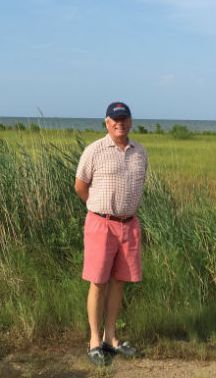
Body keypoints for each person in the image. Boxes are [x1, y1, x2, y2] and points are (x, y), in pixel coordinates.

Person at [74, 101, 148, 366]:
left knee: (119, 281)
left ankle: (110, 338)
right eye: (115, 119)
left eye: (124, 119)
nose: (120, 123)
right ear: (107, 123)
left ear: (130, 122)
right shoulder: (94, 150)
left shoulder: (140, 152)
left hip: (129, 224)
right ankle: (94, 342)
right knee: (98, 281)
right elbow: (80, 185)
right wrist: (98, 211)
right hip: (101, 223)